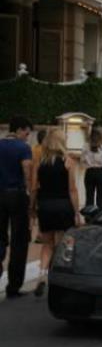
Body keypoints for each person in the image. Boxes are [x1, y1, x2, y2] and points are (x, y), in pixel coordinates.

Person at [30, 129, 81, 297]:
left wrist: (32, 208)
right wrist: (77, 212)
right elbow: (72, 190)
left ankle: (42, 276)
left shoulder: (40, 162)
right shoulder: (68, 162)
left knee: (47, 245)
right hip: (63, 206)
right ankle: (61, 278)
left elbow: (34, 187)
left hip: (45, 206)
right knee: (64, 243)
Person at [0, 116, 33, 298]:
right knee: (19, 241)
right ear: (19, 130)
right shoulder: (23, 148)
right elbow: (27, 171)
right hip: (17, 194)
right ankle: (13, 287)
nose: (27, 137)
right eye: (26, 133)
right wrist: (30, 195)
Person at [82, 128, 102, 210]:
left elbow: (82, 160)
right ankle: (99, 217)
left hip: (90, 172)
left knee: (89, 197)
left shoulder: (86, 146)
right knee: (100, 199)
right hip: (101, 172)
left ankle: (88, 217)